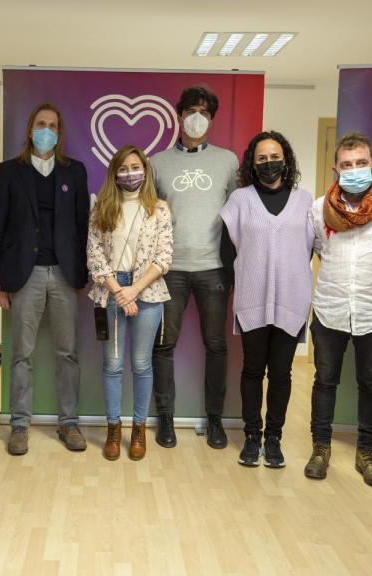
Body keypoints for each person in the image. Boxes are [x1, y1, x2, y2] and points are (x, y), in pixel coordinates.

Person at [303, 132, 372, 487]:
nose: (354, 170)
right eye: (347, 165)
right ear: (336, 168)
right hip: (330, 307)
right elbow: (319, 249)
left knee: (371, 384)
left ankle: (366, 453)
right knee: (325, 382)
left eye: (361, 163)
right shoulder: (320, 208)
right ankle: (320, 448)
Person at [0, 103, 90, 455]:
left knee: (68, 353)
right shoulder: (7, 172)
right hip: (23, 275)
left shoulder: (74, 172)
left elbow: (82, 227)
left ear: (59, 134)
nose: (46, 130)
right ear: (30, 129)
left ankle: (69, 422)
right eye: (40, 124)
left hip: (64, 274)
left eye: (52, 125)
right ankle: (19, 424)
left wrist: (82, 274)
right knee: (22, 355)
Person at [149, 85, 238, 449]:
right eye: (190, 110)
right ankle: (166, 418)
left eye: (203, 111)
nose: (196, 116)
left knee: (216, 345)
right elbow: (149, 219)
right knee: (163, 344)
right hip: (168, 269)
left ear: (211, 118)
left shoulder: (228, 161)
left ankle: (214, 419)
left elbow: (238, 215)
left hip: (213, 268)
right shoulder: (157, 162)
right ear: (179, 115)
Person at [220, 130, 313, 469]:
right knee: (253, 370)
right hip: (252, 298)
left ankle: (274, 439)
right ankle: (251, 436)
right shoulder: (240, 200)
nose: (269, 163)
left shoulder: (305, 202)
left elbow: (317, 247)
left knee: (282, 374)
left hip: (292, 299)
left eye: (275, 157)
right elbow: (227, 250)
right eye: (262, 158)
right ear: (252, 163)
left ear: (285, 160)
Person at [87, 145, 173, 462]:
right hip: (110, 290)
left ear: (145, 170)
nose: (129, 173)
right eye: (122, 168)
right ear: (114, 173)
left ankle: (138, 429)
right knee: (113, 365)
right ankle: (113, 428)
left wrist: (133, 290)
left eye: (135, 167)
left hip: (147, 291)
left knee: (141, 365)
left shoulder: (159, 209)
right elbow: (94, 256)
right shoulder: (101, 209)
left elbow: (164, 257)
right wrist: (118, 290)